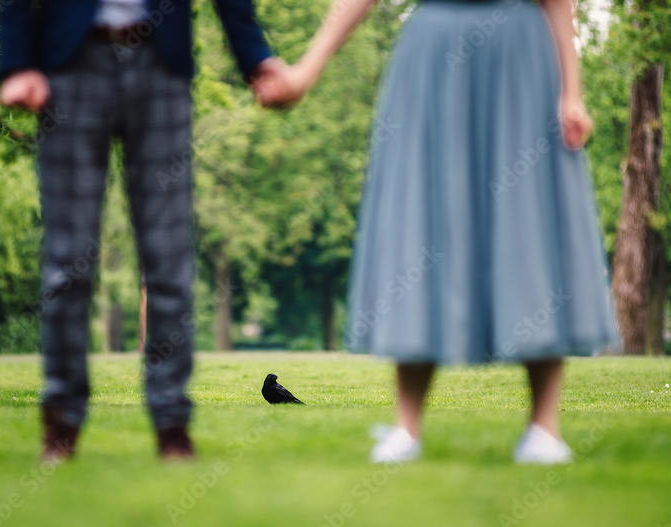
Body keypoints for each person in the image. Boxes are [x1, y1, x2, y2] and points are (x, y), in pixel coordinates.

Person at [255, 0, 618, 464]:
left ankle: (543, 429)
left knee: (529, 219)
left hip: (521, 54)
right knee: (419, 221)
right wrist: (306, 70)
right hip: (430, 55)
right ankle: (406, 428)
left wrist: (572, 90)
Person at [0, 0, 286, 461]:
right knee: (68, 264)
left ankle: (173, 424)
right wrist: (15, 61)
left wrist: (253, 56)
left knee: (169, 261)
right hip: (68, 65)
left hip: (161, 62)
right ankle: (62, 422)